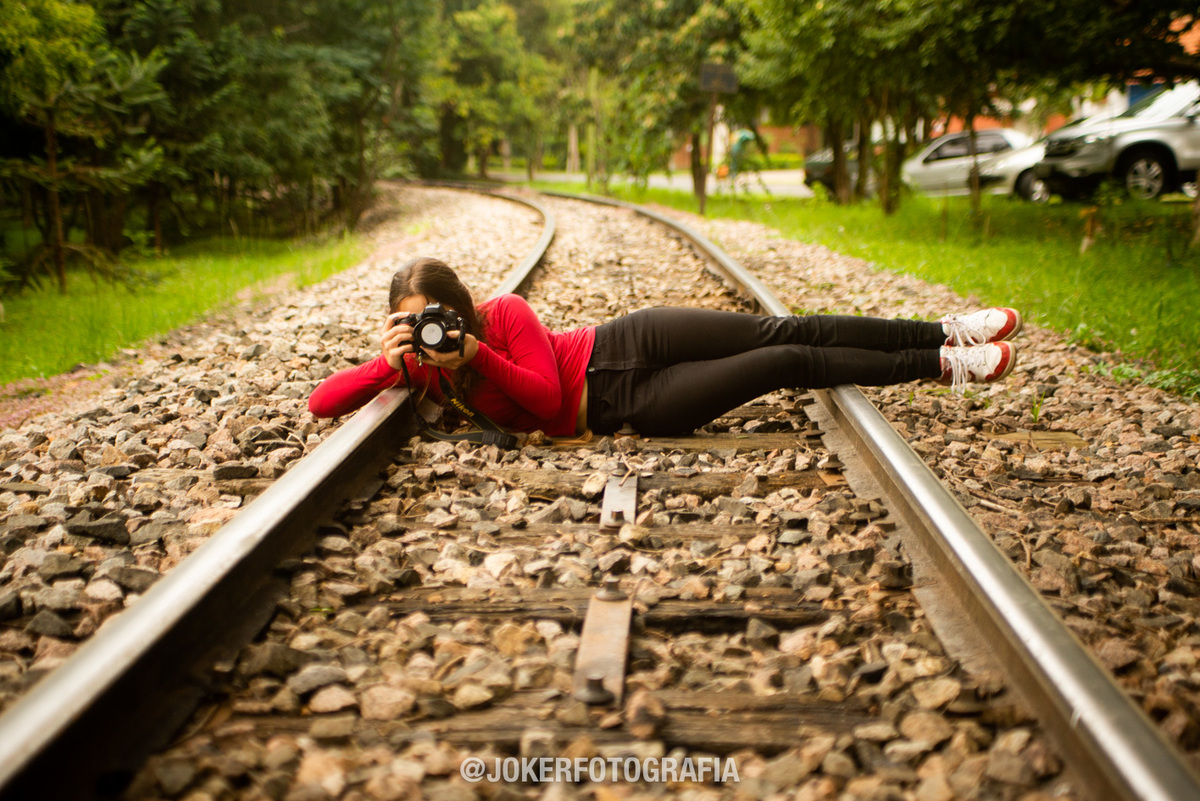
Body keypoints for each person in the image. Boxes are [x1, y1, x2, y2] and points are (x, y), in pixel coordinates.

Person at [308, 257, 1021, 437]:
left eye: (437, 313)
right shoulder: (424, 373)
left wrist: (476, 353)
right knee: (784, 363)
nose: (431, 327)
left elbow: (540, 383)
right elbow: (321, 404)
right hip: (626, 405)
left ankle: (945, 330)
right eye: (413, 319)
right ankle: (941, 367)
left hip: (626, 338)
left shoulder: (504, 313)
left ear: (459, 306)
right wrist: (391, 359)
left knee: (783, 327)